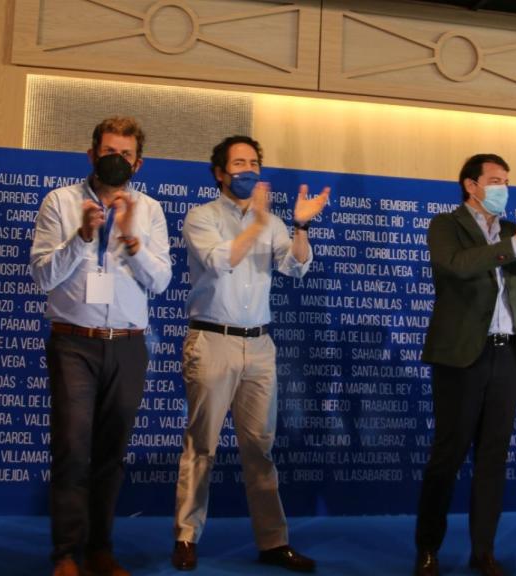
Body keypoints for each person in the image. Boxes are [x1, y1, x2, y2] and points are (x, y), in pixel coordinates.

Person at [170, 135, 330, 573]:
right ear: (220, 172)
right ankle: (186, 536)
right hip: (212, 339)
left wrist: (300, 226)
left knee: (260, 448)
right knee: (201, 445)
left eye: (254, 162)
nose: (248, 171)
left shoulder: (275, 222)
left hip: (260, 344)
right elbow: (221, 261)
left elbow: (296, 266)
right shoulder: (201, 216)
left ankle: (273, 543)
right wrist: (258, 224)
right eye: (238, 163)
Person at [30, 116, 172, 576]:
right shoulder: (60, 202)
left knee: (112, 453)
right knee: (72, 447)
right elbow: (43, 276)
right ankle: (66, 554)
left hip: (128, 346)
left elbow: (163, 281)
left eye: (125, 154)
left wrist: (130, 240)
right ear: (92, 155)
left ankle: (100, 549)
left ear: (138, 162)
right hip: (74, 342)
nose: (117, 159)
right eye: (108, 151)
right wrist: (83, 238)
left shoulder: (149, 210)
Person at [414, 153, 516, 576]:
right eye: (495, 180)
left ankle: (484, 552)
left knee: (493, 457)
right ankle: (427, 549)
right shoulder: (446, 225)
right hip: (462, 353)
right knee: (448, 455)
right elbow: (456, 267)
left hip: (508, 352)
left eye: (507, 181)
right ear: (471, 185)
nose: (503, 188)